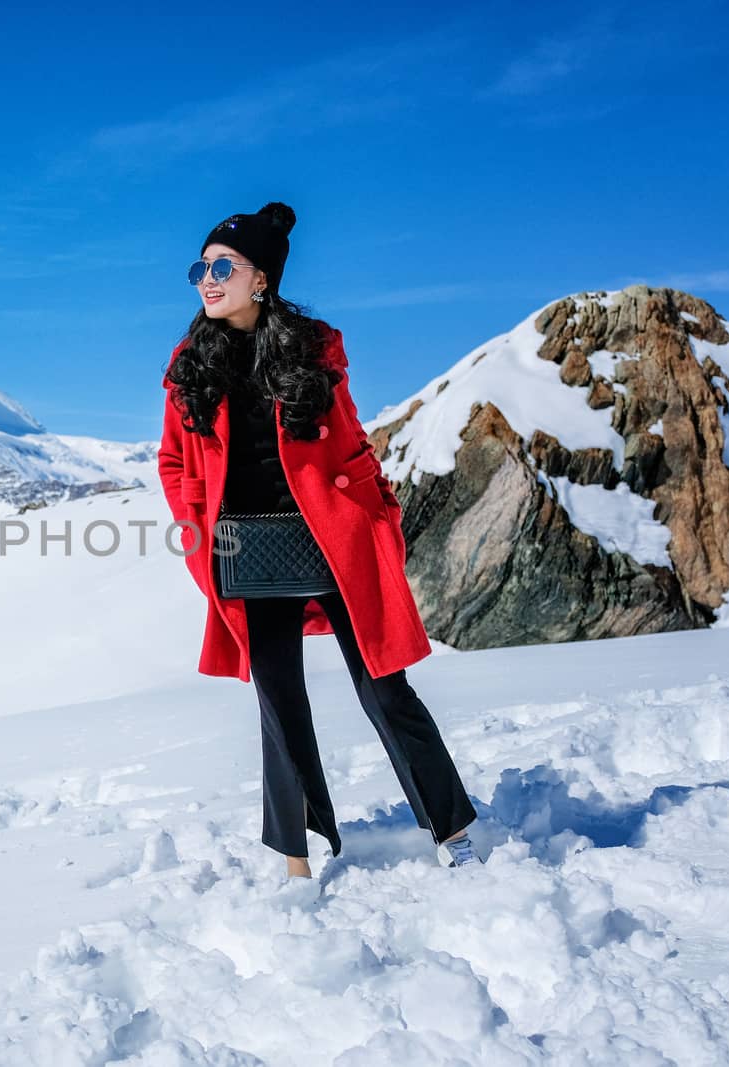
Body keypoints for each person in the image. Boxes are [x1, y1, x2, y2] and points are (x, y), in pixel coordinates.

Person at [157, 201, 482, 877]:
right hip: (245, 549)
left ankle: (454, 831)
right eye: (201, 268)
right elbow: (173, 461)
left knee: (384, 687)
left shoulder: (311, 350)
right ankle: (296, 857)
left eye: (223, 266)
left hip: (334, 541)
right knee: (277, 699)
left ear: (262, 279)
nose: (207, 279)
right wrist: (195, 522)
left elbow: (353, 439)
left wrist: (372, 508)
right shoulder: (190, 364)